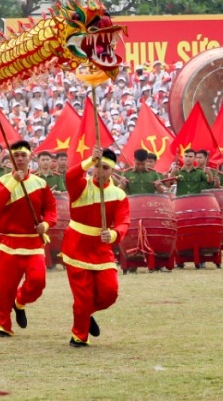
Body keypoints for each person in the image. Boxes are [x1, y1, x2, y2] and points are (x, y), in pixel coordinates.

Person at [61, 147, 129, 348]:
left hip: (101, 249)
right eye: (97, 166)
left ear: (112, 171)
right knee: (82, 296)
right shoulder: (80, 186)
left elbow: (124, 221)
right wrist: (90, 160)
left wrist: (114, 234)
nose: (100, 170)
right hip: (77, 246)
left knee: (110, 293)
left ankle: (86, 313)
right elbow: (70, 175)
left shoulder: (118, 195)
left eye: (105, 167)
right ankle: (79, 336)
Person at [0, 140, 57, 337]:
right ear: (10, 159)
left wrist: (46, 224)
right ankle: (4, 325)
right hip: (9, 243)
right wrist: (13, 182)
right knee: (5, 288)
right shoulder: (0, 182)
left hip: (33, 242)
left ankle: (20, 302)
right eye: (15, 155)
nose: (19, 159)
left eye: (23, 155)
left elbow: (51, 209)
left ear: (30, 158)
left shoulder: (40, 184)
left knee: (38, 281)